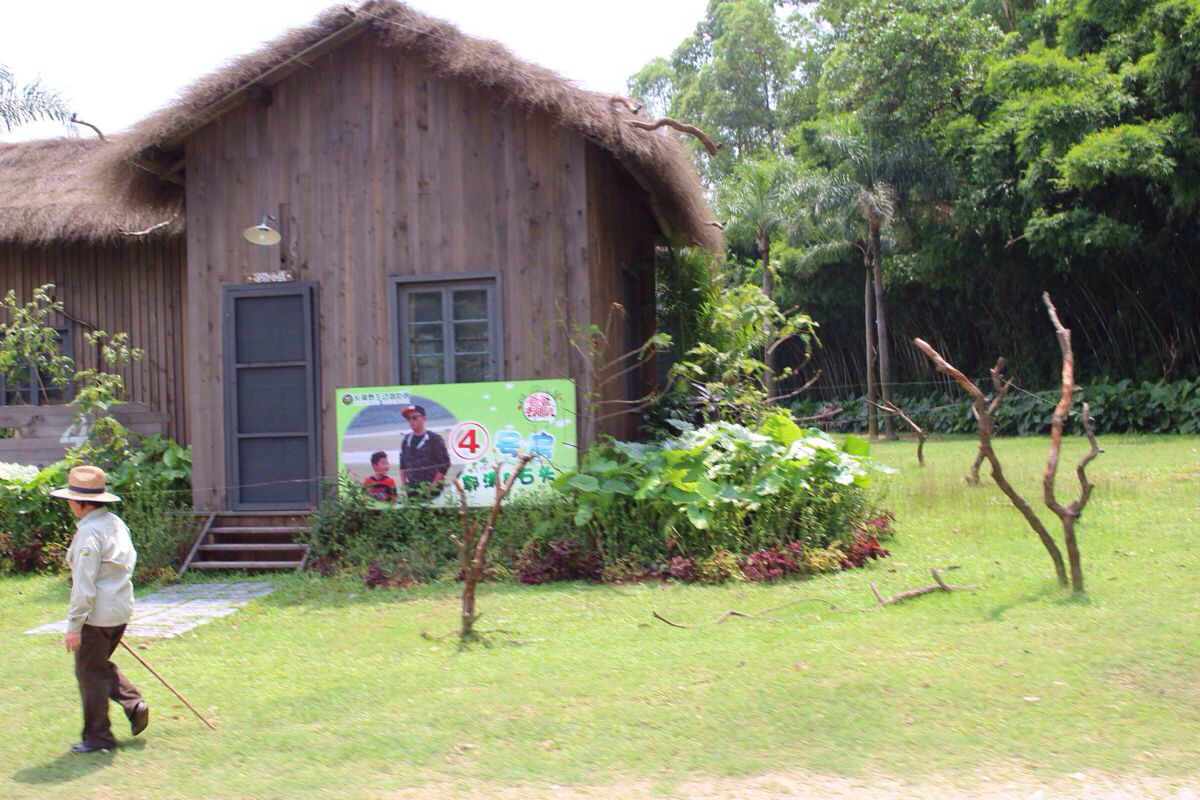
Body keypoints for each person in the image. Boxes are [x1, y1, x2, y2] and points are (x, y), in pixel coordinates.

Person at [52, 465, 148, 753]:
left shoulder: (89, 533)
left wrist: (73, 626)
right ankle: (134, 704)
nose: (68, 502)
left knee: (88, 673)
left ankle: (97, 738)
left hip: (96, 616)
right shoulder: (115, 523)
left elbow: (83, 585)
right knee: (97, 666)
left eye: (70, 498)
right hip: (120, 611)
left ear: (82, 502)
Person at [398, 404, 450, 498]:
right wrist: (404, 484)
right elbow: (402, 464)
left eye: (414, 417)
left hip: (432, 492)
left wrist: (433, 485)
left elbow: (445, 464)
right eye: (409, 419)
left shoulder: (434, 439)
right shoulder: (406, 440)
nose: (411, 421)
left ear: (423, 418)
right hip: (412, 490)